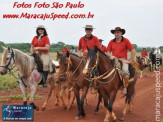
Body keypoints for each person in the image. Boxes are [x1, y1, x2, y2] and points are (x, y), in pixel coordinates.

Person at [107, 27, 136, 94]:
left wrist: (130, 60)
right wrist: (111, 55)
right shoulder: (111, 41)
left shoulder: (126, 40)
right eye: (115, 32)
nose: (116, 34)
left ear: (121, 33)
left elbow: (133, 51)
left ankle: (125, 87)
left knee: (125, 71)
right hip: (114, 59)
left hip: (123, 60)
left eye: (118, 32)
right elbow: (108, 51)